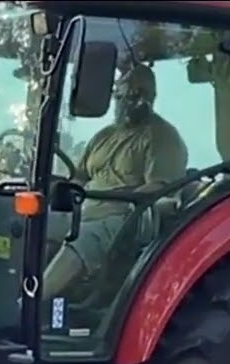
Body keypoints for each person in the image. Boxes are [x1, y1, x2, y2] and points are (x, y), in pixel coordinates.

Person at [43, 63, 188, 299]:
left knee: (83, 237)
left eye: (134, 95)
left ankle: (26, 308)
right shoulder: (105, 135)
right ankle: (35, 303)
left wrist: (114, 203)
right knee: (37, 224)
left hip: (125, 218)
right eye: (119, 96)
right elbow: (80, 177)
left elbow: (161, 189)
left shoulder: (163, 137)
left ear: (148, 97)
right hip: (86, 210)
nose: (124, 102)